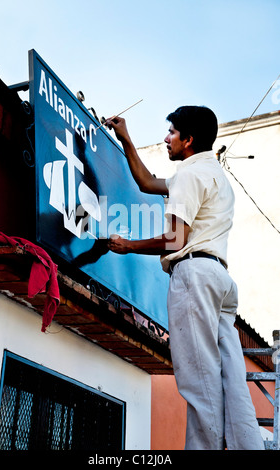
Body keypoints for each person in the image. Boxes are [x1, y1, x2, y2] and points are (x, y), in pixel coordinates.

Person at [106, 105, 265, 451]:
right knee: (231, 382)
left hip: (194, 275)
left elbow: (176, 240)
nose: (166, 139)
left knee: (199, 381)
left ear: (189, 140)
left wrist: (129, 245)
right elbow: (148, 182)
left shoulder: (190, 177)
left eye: (172, 133)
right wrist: (127, 140)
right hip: (220, 280)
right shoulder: (211, 175)